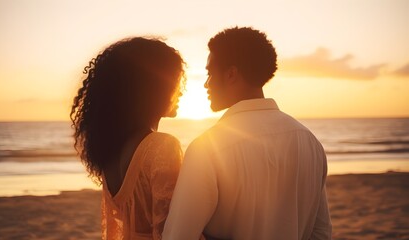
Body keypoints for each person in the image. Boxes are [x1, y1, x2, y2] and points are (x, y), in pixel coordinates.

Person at [162, 27, 332, 240]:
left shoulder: (208, 148)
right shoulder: (309, 141)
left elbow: (178, 236)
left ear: (231, 74)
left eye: (210, 73)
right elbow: (321, 232)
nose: (206, 84)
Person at [70, 37, 186, 239]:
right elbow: (171, 228)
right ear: (153, 88)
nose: (182, 92)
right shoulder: (161, 146)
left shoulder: (111, 151)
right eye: (175, 83)